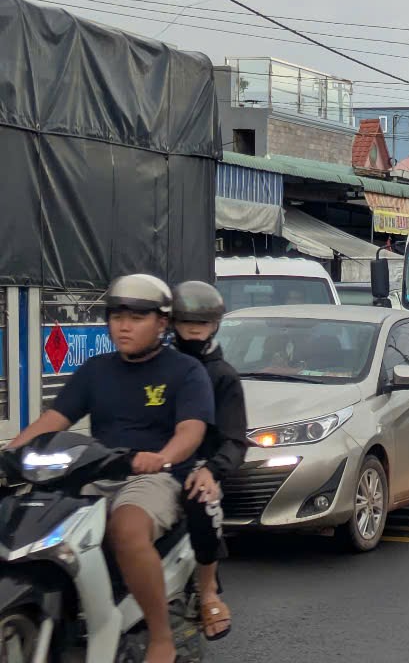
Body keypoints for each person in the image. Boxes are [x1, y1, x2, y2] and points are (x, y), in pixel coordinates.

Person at [7, 274, 213, 663]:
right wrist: (12, 453)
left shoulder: (186, 372)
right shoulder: (95, 370)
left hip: (153, 477)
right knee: (32, 524)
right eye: (116, 315)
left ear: (162, 323)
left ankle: (160, 637)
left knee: (127, 528)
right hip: (94, 471)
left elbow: (192, 429)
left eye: (136, 316)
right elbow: (54, 420)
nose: (123, 325)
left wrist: (163, 456)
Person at [171, 281, 247, 642]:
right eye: (187, 319)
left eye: (203, 320)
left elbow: (234, 440)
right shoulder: (158, 366)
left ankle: (208, 590)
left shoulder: (222, 376)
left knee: (201, 499)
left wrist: (211, 470)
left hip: (201, 466)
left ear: (215, 323)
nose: (195, 326)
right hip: (153, 462)